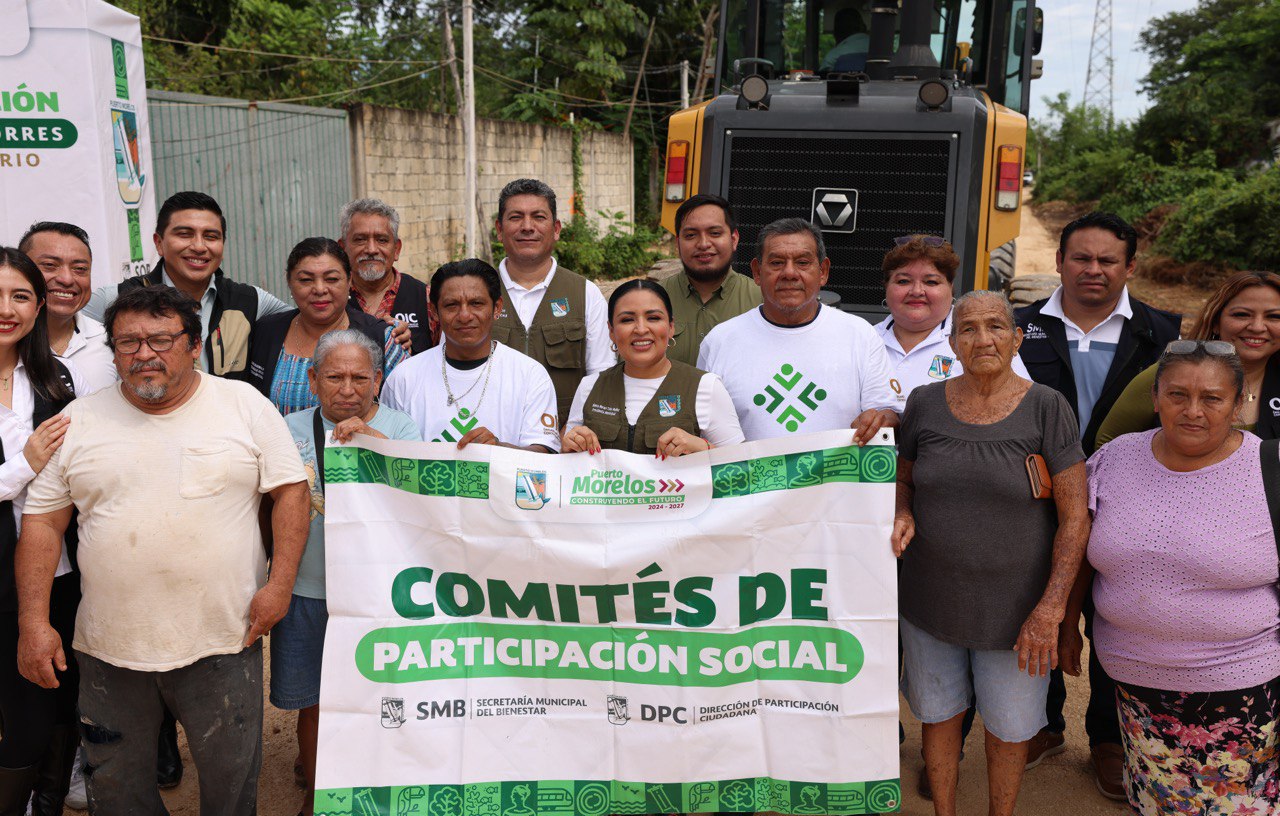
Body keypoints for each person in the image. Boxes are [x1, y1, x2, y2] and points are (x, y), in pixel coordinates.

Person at [15, 285, 309, 815]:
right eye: (127, 343)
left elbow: (290, 491)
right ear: (112, 351)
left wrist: (279, 586)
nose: (143, 354)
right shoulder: (78, 421)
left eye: (160, 339)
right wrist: (35, 623)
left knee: (230, 784)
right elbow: (41, 523)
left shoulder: (243, 405)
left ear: (194, 345)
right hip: (108, 648)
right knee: (118, 790)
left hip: (223, 640)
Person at [893, 290, 1090, 816]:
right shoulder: (925, 403)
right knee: (938, 716)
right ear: (952, 342)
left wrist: (1052, 609)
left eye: (997, 327)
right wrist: (904, 512)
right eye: (969, 329)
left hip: (1018, 611)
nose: (983, 339)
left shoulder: (1047, 407)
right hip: (930, 601)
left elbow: (1074, 518)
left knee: (1007, 728)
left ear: (1017, 337)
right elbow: (903, 480)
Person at [1065, 340, 1280, 815]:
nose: (1193, 411)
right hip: (1136, 687)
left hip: (1241, 689)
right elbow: (1079, 547)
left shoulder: (1271, 468)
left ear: (1240, 401)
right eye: (1178, 395)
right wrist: (1064, 626)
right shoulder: (1117, 457)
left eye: (1212, 398)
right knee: (1157, 802)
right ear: (1155, 397)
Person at [1014, 211, 1180, 793]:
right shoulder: (1018, 329)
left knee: (1114, 616)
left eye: (1108, 260)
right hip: (1038, 502)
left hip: (1128, 503)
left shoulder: (1164, 335)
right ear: (1057, 261)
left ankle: (1108, 738)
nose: (1093, 269)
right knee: (1039, 606)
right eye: (1080, 258)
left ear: (1129, 267)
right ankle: (1041, 723)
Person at [273, 329, 421, 816]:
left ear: (379, 380)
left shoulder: (401, 430)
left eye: (361, 377)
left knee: (382, 696)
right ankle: (317, 793)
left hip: (377, 594)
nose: (348, 389)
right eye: (334, 377)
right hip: (307, 589)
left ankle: (379, 786)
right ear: (313, 380)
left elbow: (421, 507)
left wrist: (379, 449)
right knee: (314, 702)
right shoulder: (287, 430)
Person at [0, 248, 82, 816]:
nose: (6, 309)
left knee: (54, 702)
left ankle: (44, 800)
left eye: (19, 295)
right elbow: (34, 468)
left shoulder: (54, 379)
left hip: (55, 573)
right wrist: (24, 465)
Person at [697, 217, 898, 443]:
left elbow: (887, 413)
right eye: (776, 263)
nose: (790, 273)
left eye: (803, 262)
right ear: (756, 272)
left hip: (838, 478)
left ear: (823, 271)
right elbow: (705, 430)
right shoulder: (720, 342)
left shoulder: (860, 335)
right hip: (750, 478)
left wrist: (881, 419)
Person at [382, 259, 560, 453]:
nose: (465, 315)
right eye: (452, 305)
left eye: (476, 303)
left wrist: (498, 449)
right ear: (434, 312)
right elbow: (383, 453)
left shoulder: (530, 376)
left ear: (497, 308)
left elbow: (545, 457)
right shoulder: (404, 378)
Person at [562, 279, 744, 456]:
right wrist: (569, 447)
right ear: (611, 331)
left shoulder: (705, 387)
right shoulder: (590, 387)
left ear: (671, 327)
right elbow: (567, 465)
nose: (641, 329)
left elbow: (742, 467)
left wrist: (702, 447)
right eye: (627, 320)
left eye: (653, 318)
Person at [1097, 270, 1280, 443]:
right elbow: (1108, 440)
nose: (1257, 327)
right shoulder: (1169, 373)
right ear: (1216, 321)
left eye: (1274, 317)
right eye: (1242, 314)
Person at [491, 178, 613, 426]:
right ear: (499, 229)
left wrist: (574, 431)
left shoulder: (585, 294)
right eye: (516, 217)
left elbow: (601, 379)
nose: (527, 227)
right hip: (490, 442)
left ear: (556, 229)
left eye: (538, 217)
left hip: (564, 444)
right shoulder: (476, 292)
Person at [247, 237, 407, 415]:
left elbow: (404, 412)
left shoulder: (381, 338)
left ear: (349, 280)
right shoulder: (266, 332)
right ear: (289, 283)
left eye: (331, 279)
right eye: (306, 280)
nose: (320, 289)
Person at [876, 234, 1029, 410]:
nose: (917, 291)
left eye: (931, 282)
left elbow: (1020, 406)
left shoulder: (985, 341)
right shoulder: (862, 340)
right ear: (886, 287)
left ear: (951, 288)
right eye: (903, 281)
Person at [661, 194, 762, 367]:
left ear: (734, 239)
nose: (703, 244)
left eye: (714, 233)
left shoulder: (762, 301)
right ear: (678, 244)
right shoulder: (655, 299)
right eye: (691, 235)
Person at [19, 223, 116, 395]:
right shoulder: (6, 344)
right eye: (49, 265)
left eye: (80, 269)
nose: (66, 279)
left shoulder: (111, 340)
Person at [338, 197, 435, 354]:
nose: (371, 249)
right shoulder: (330, 300)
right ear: (342, 248)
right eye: (360, 239)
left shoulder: (427, 299)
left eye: (382, 240)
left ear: (396, 249)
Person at [819, 6, 870, 73]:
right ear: (864, 27)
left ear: (837, 33)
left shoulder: (832, 58)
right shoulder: (883, 50)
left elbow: (821, 81)